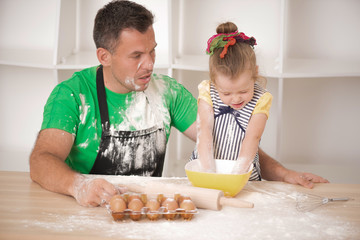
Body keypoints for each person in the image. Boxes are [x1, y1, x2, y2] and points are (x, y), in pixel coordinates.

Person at [29, 0, 328, 208]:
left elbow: (229, 140)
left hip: (148, 210)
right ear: (104, 56)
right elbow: (41, 161)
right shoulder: (73, 95)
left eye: (152, 52)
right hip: (86, 211)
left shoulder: (166, 91)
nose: (149, 64)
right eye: (136, 56)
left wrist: (285, 174)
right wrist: (78, 187)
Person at [191, 22, 271, 181]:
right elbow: (204, 130)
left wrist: (236, 177)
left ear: (255, 73)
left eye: (244, 91)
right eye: (226, 93)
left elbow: (252, 138)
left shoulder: (261, 99)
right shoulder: (207, 91)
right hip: (206, 165)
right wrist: (208, 173)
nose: (236, 99)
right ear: (213, 81)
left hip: (243, 172)